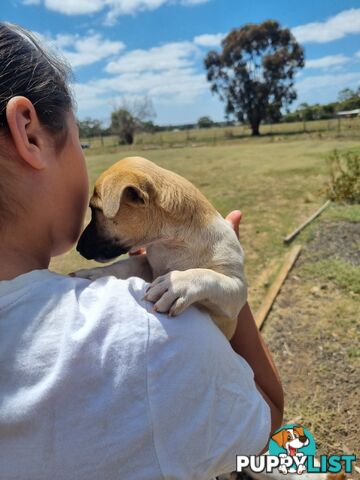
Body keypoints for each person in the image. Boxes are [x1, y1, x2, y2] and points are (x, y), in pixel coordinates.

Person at [0, 22, 283, 480]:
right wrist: (230, 276)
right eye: (80, 135)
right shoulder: (153, 338)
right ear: (30, 133)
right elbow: (268, 418)